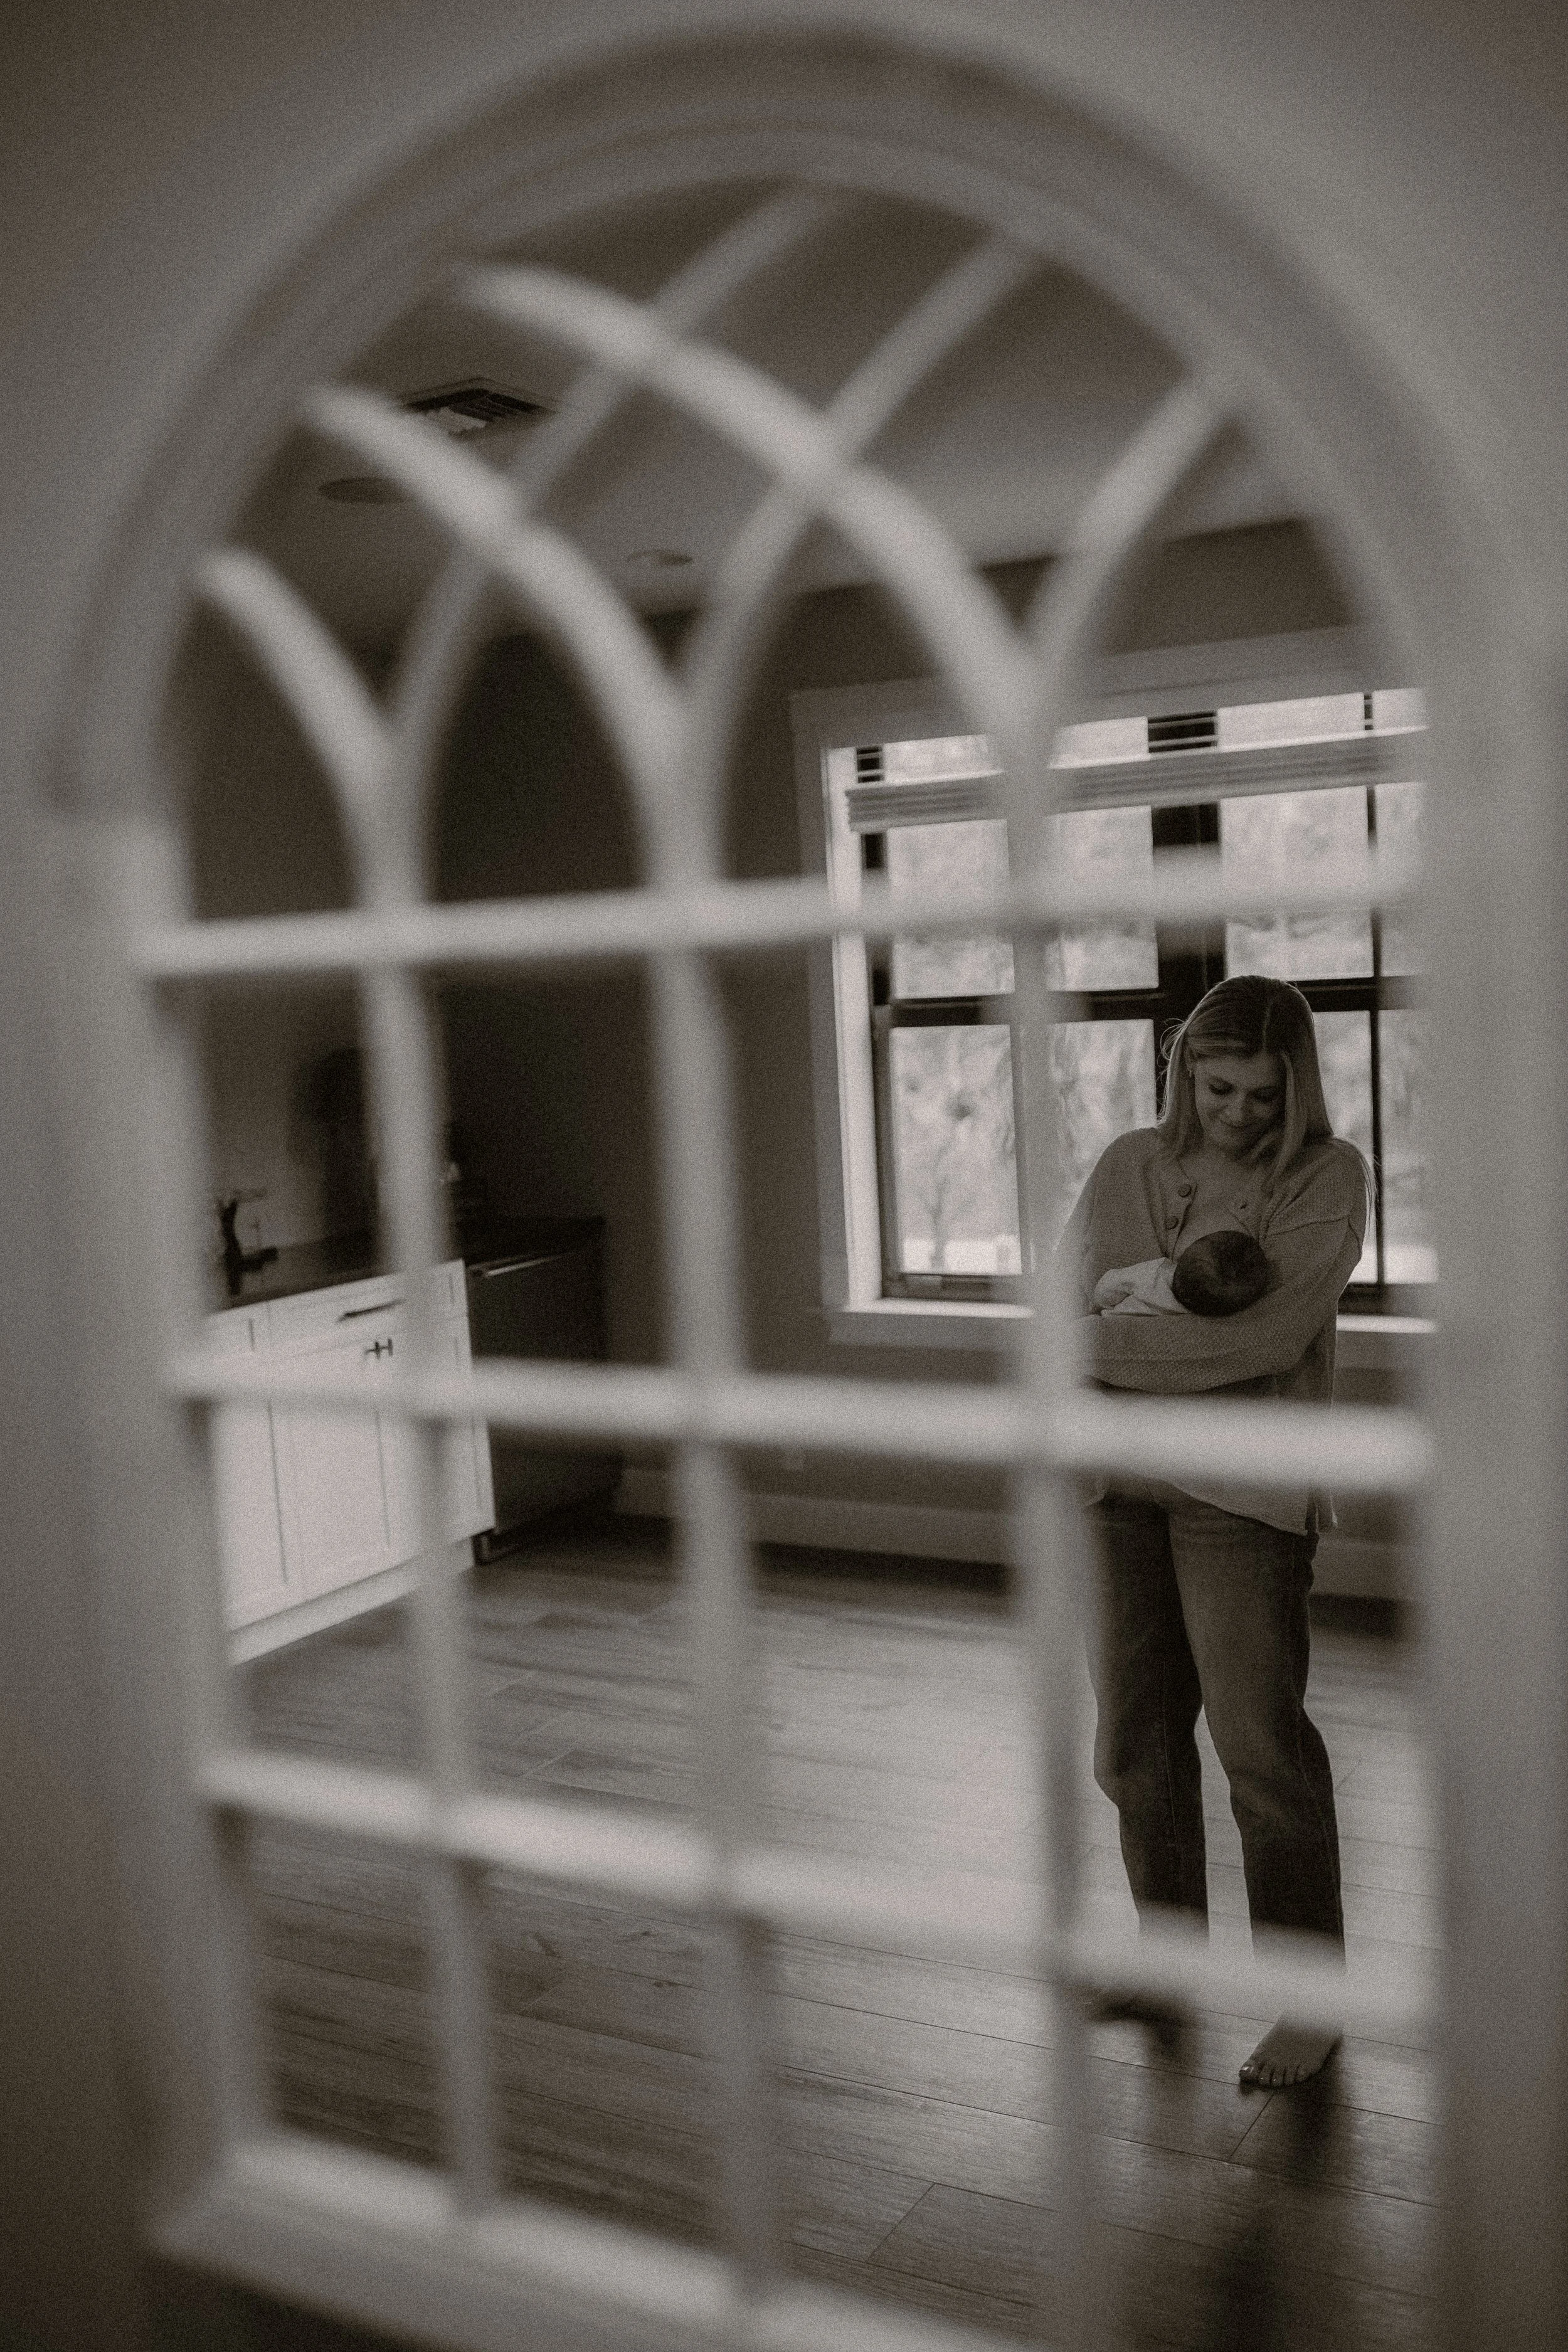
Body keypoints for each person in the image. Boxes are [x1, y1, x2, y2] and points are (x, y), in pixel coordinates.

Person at [1057, 973, 1369, 2089]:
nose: (1239, 1112)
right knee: (1133, 1741)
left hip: (1246, 1497)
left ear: (1302, 1086)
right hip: (1112, 1486)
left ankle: (1311, 2001)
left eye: (1264, 1093)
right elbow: (1062, 1307)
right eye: (1219, 1084)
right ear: (1184, 1068)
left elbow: (1266, 1341)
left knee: (1260, 1754)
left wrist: (1097, 1356)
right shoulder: (1127, 1164)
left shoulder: (1327, 1176)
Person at [1094, 1227, 1272, 1319]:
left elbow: (1110, 1286)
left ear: (1184, 1253)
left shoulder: (1155, 1273)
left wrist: (1100, 1303)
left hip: (1110, 1322)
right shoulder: (1206, 1311)